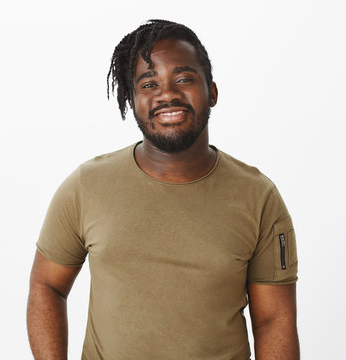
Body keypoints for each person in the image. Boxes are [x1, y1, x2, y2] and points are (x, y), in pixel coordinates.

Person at [26, 19, 299, 360]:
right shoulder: (87, 186)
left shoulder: (259, 198)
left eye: (184, 79)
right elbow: (47, 285)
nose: (167, 94)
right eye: (149, 83)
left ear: (211, 91)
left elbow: (274, 319)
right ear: (132, 98)